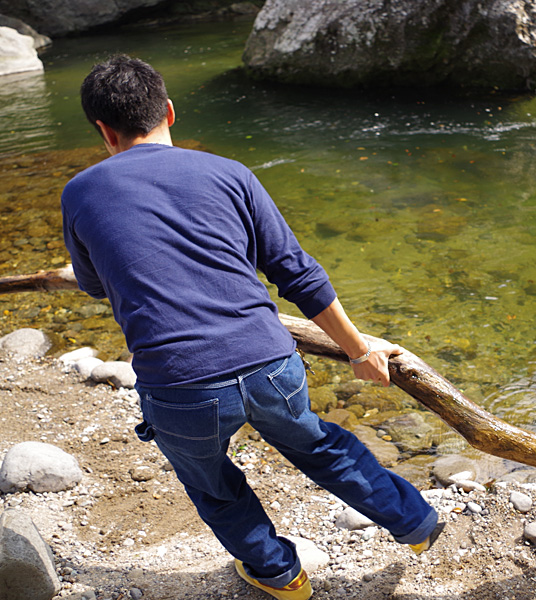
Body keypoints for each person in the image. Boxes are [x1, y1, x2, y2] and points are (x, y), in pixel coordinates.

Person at [61, 55, 441, 600]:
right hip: (269, 364)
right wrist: (359, 350)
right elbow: (297, 272)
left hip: (180, 384)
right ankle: (416, 525)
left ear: (103, 130)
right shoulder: (230, 173)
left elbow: (95, 285)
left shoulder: (79, 193)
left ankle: (281, 576)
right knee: (323, 447)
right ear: (169, 111)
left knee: (212, 484)